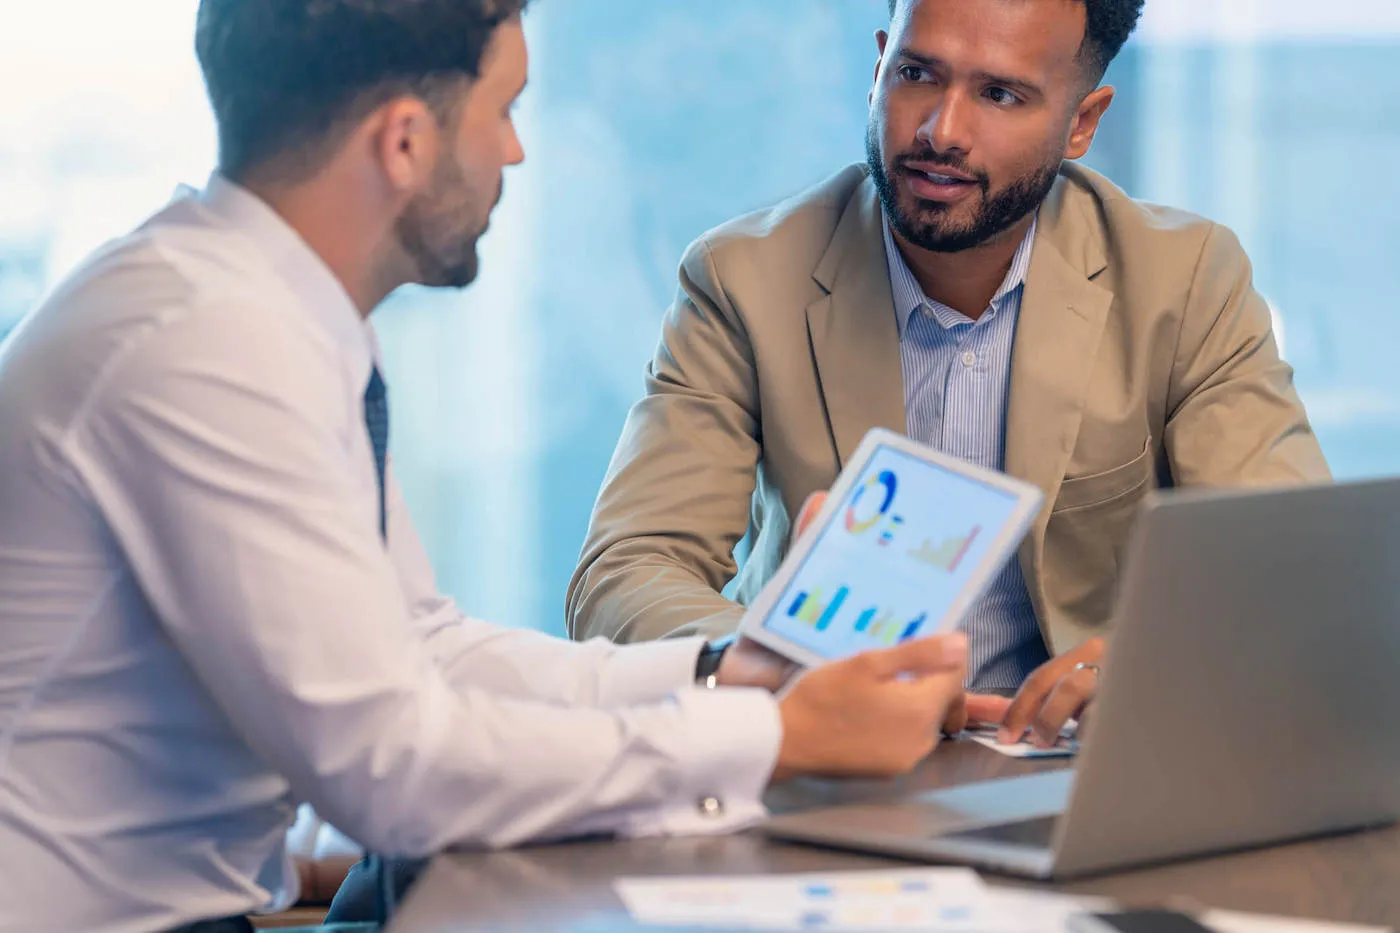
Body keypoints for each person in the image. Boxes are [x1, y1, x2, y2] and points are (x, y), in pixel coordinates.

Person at [0, 3, 974, 931]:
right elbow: (392, 768)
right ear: (405, 141)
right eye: (503, 110)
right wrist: (782, 740)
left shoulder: (262, 312)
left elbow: (420, 647)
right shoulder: (210, 344)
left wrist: (731, 673)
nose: (514, 149)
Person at [568, 0, 1330, 748]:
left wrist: (1152, 666)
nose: (942, 131)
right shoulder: (743, 279)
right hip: (826, 762)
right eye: (918, 74)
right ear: (877, 68)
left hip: (1079, 768)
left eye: (1000, 94)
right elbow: (628, 570)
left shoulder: (1184, 281)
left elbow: (1294, 578)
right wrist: (773, 666)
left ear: (1082, 123)